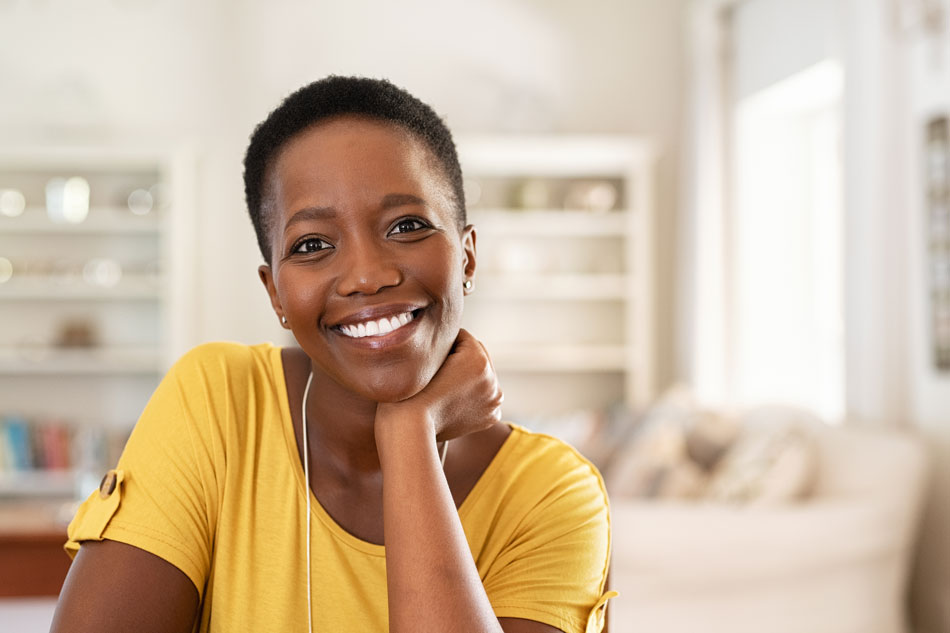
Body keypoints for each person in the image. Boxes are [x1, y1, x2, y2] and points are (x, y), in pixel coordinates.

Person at [51, 76, 614, 633]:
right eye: (313, 245)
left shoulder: (552, 494)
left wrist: (408, 433)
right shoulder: (219, 400)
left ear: (466, 258)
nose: (368, 276)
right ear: (275, 292)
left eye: (408, 225)